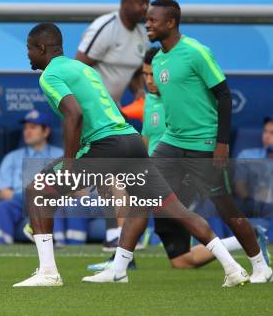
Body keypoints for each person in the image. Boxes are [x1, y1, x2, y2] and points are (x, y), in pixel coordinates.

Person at [14, 23, 249, 287]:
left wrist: (69, 164)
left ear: (41, 48)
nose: (27, 55)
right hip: (131, 141)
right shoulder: (81, 68)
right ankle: (233, 267)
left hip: (106, 146)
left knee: (36, 191)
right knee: (174, 209)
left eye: (29, 49)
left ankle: (48, 272)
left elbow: (74, 114)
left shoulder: (49, 76)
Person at [87, 47, 269, 271]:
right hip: (158, 171)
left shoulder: (181, 103)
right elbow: (146, 141)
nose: (150, 80)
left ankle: (120, 262)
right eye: (145, 75)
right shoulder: (150, 102)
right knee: (182, 261)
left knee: (129, 190)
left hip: (179, 176)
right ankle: (248, 238)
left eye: (154, 74)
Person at [145, 0, 272, 284]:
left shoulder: (196, 52)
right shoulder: (158, 59)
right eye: (147, 20)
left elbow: (224, 96)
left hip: (203, 144)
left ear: (171, 22)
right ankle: (119, 267)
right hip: (172, 141)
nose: (148, 25)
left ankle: (260, 266)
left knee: (225, 207)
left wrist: (222, 143)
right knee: (145, 184)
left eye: (153, 20)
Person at [75, 0, 150, 249]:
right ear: (123, 2)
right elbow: (78, 66)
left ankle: (117, 236)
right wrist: (90, 105)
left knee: (111, 172)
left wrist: (140, 91)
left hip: (113, 111)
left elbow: (133, 74)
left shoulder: (142, 35)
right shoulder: (105, 27)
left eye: (146, 2)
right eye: (138, 2)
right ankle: (117, 236)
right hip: (90, 110)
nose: (143, 8)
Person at [0, 110, 64, 245]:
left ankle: (57, 244)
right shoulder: (12, 157)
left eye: (33, 127)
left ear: (46, 131)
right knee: (2, 207)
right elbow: (3, 192)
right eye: (25, 128)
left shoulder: (60, 155)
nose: (27, 132)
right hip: (20, 201)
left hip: (50, 200)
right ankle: (0, 248)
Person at [235, 117, 273, 219]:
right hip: (254, 207)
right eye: (265, 131)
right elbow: (239, 184)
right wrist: (249, 202)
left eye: (272, 133)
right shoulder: (247, 155)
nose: (266, 136)